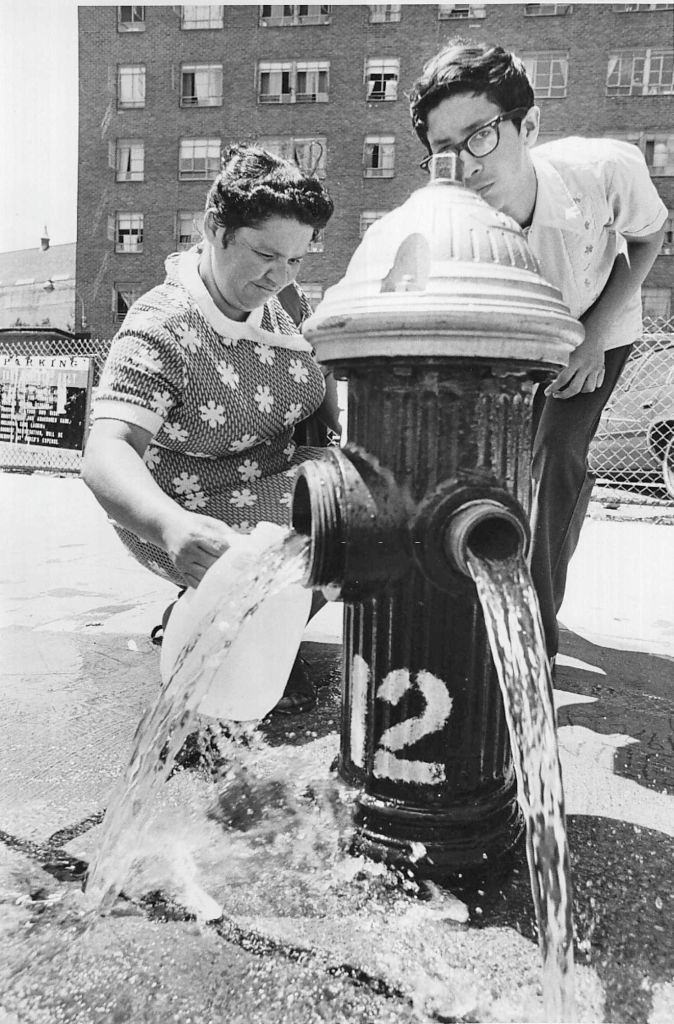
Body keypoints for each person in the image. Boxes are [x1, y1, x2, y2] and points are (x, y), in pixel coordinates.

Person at [408, 40, 667, 666]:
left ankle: (532, 634)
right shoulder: (446, 217)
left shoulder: (605, 169)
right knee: (492, 469)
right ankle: (476, 601)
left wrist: (597, 335)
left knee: (556, 457)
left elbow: (650, 234)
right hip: (517, 337)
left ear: (528, 125)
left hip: (598, 321)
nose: (464, 164)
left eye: (480, 135)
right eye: (443, 150)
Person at [82, 144, 337, 713]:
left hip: (279, 478)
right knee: (328, 532)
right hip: (190, 503)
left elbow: (309, 365)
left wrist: (330, 424)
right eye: (266, 254)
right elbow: (106, 449)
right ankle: (211, 625)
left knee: (373, 516)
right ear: (212, 229)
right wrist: (171, 526)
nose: (280, 276)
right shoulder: (161, 326)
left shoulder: (280, 293)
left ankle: (252, 627)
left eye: (296, 260)